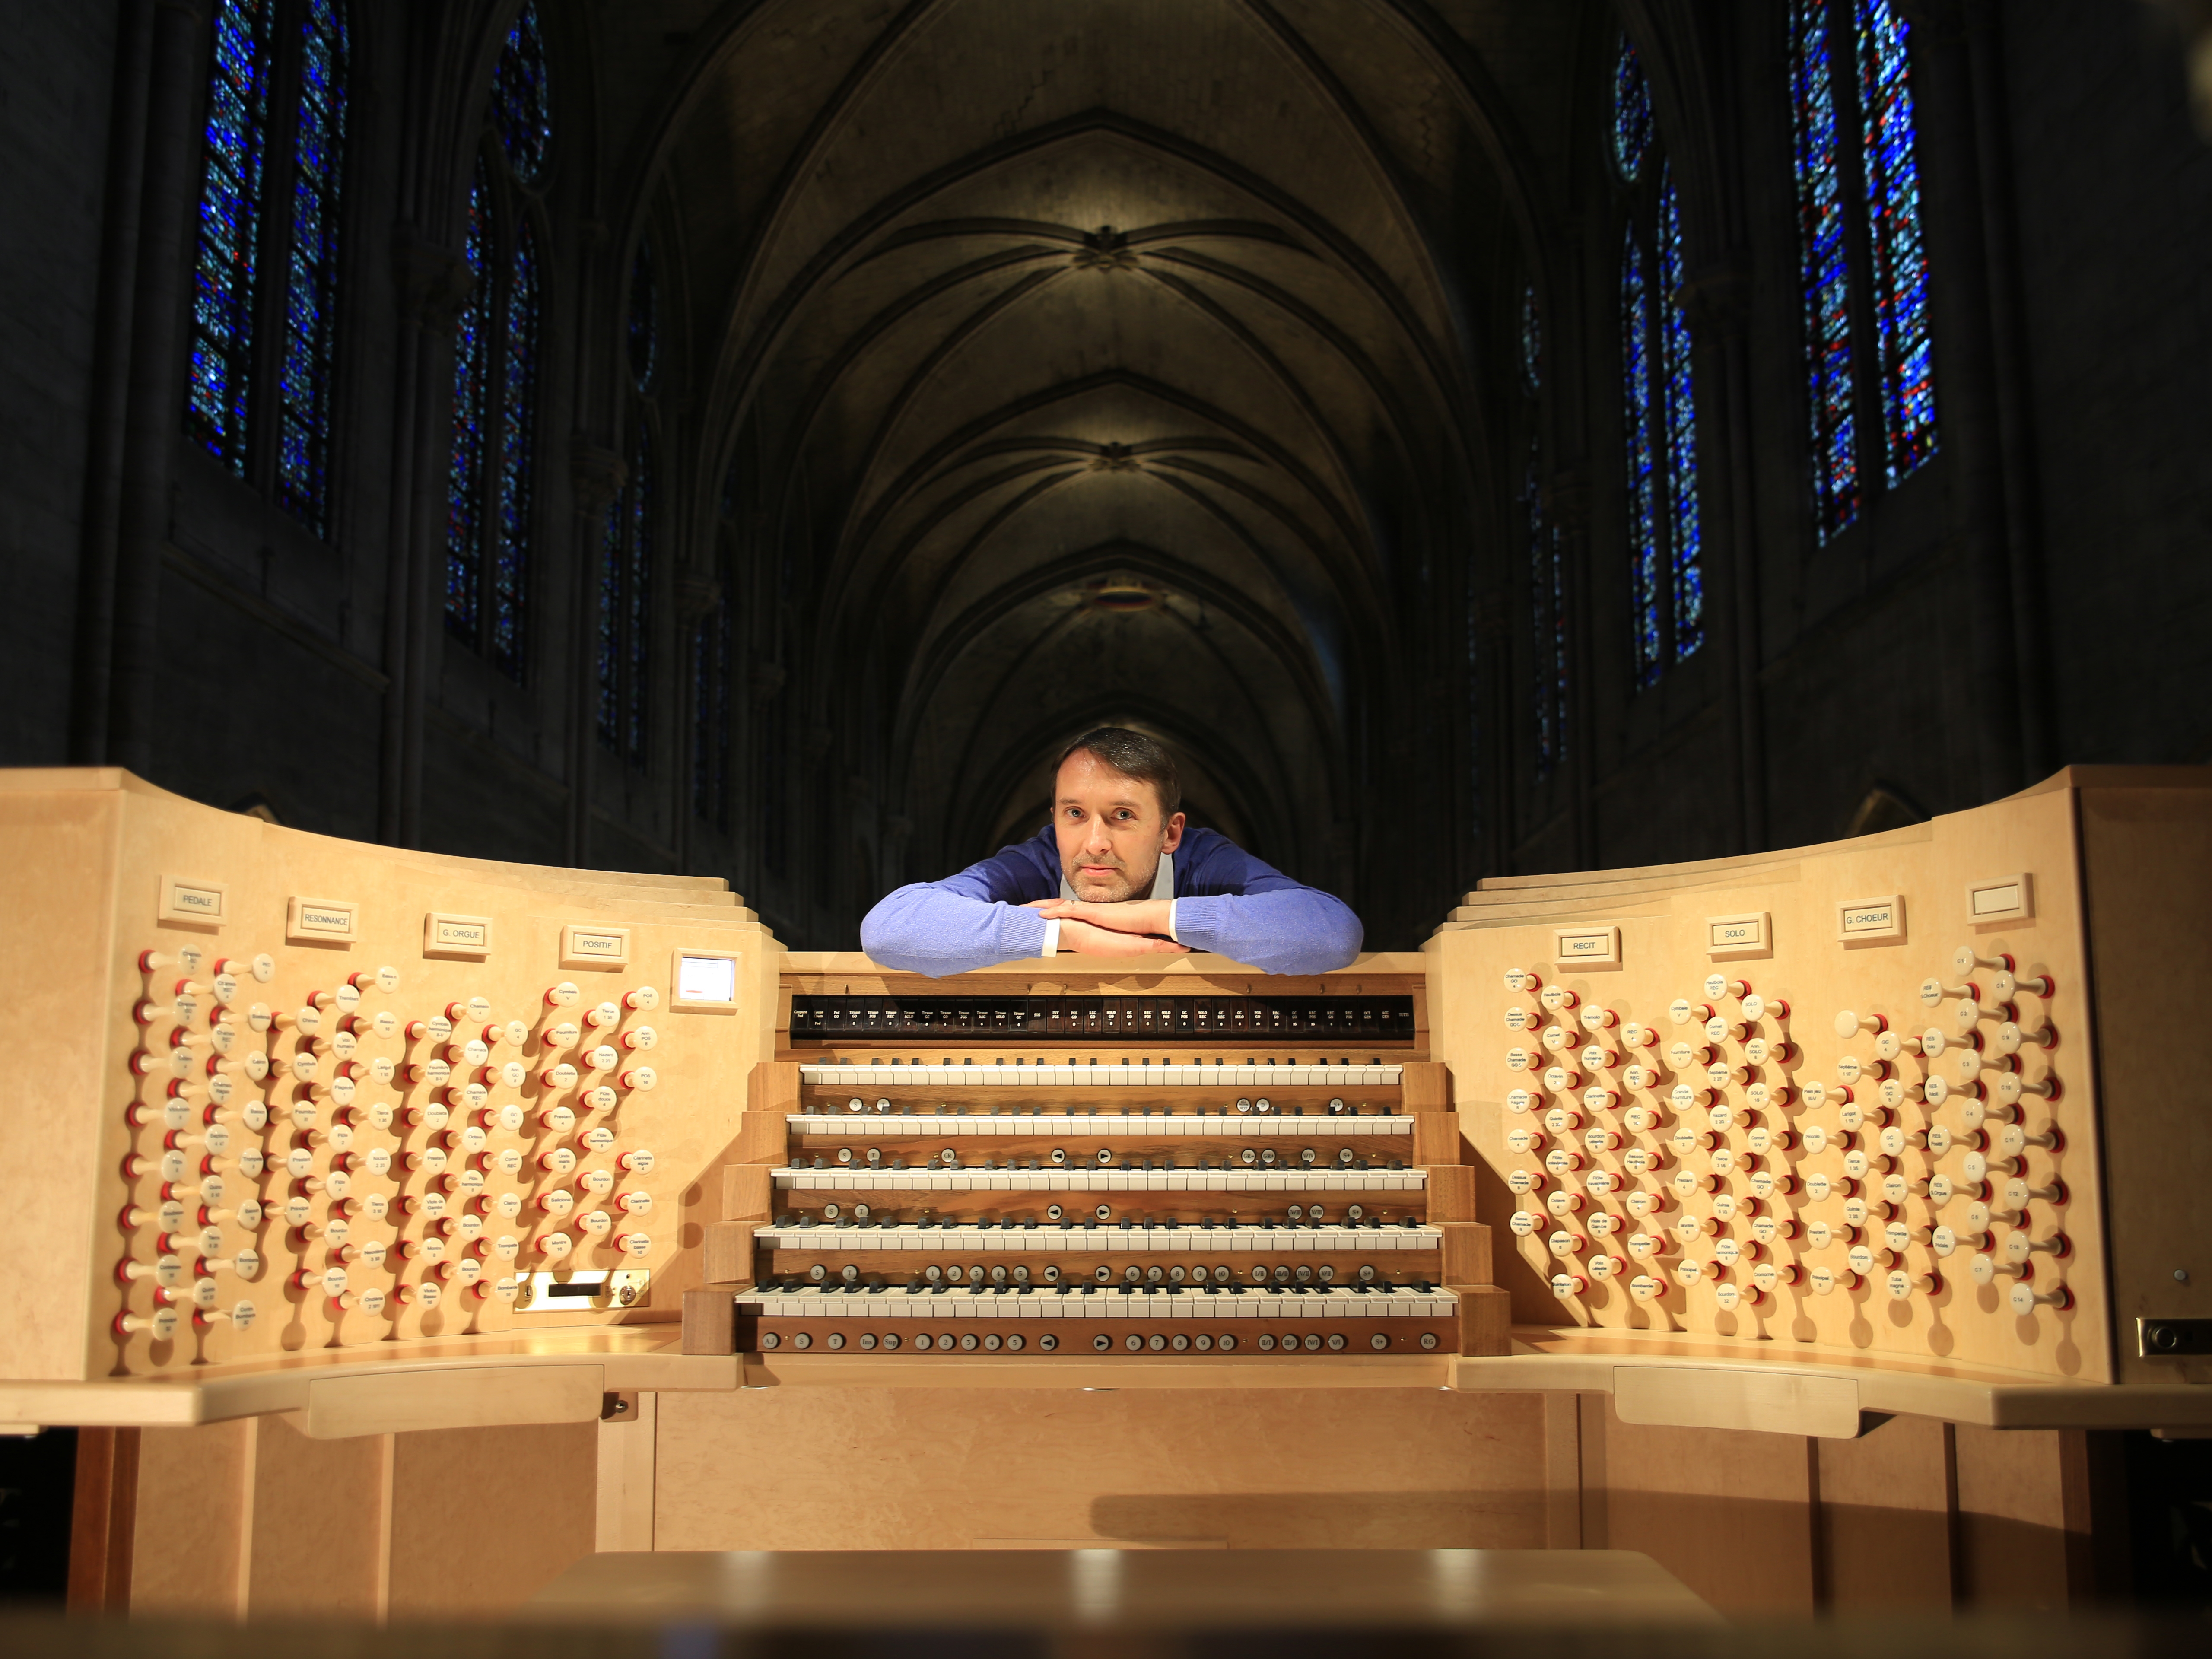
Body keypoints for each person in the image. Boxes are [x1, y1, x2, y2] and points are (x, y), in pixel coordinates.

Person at [860, 727, 1363, 977]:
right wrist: (1064, 931)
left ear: (1170, 834)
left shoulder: (1203, 859)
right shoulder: (1034, 860)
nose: (1094, 842)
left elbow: (1331, 931)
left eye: (1122, 816)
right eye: (1074, 814)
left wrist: (1147, 917)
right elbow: (889, 927)